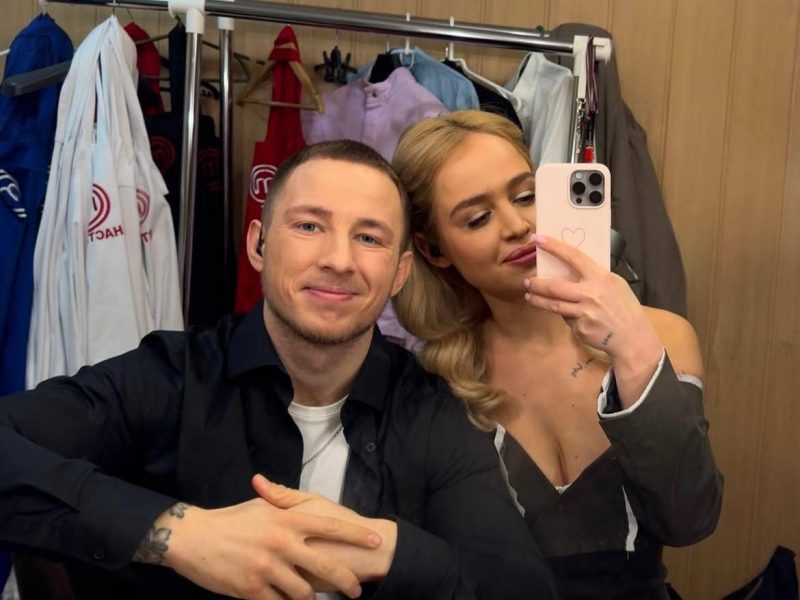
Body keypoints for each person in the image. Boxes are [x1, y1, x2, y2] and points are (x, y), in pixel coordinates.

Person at [0, 140, 558, 600]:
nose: (339, 260)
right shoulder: (173, 377)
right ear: (258, 245)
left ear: (399, 273)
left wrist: (382, 548)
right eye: (310, 226)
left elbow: (521, 587)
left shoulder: (431, 410)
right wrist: (177, 532)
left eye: (369, 237)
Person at [390, 111, 723, 600]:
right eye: (478, 218)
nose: (518, 225)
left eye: (526, 196)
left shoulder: (662, 335)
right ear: (433, 249)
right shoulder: (436, 382)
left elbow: (690, 520)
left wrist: (633, 349)